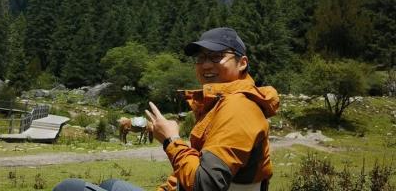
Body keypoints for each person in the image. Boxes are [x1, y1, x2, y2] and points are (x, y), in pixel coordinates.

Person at [53, 27, 279, 191]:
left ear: (242, 63)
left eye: (217, 57)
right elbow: (189, 172)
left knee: (69, 188)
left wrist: (171, 140)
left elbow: (206, 184)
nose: (206, 64)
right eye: (200, 58)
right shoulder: (220, 104)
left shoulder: (238, 107)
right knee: (110, 184)